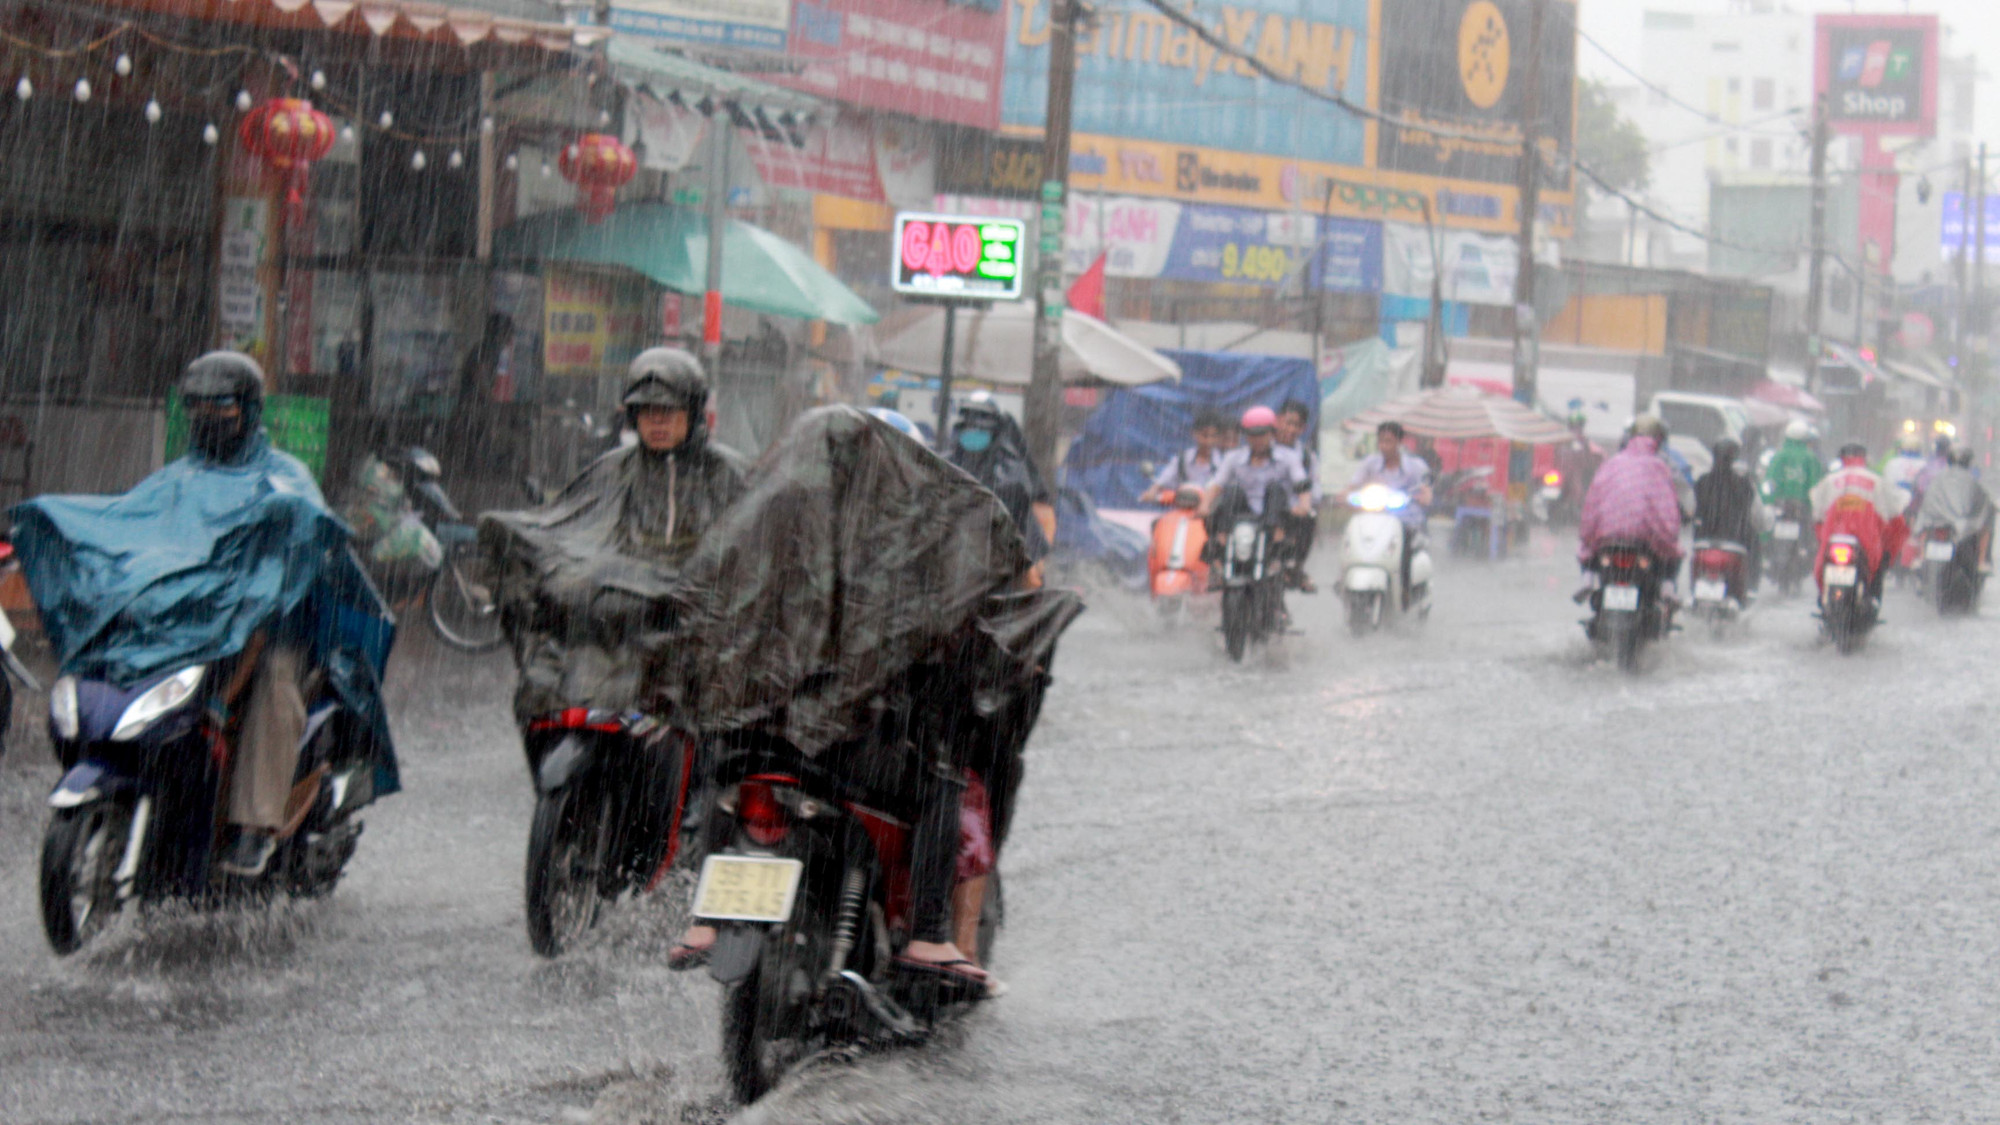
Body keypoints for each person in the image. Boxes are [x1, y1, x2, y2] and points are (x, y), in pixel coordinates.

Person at [949, 394, 1058, 587]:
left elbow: (1029, 531)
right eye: (969, 423)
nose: (974, 430)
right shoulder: (945, 467)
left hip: (998, 578)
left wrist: (1031, 569)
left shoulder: (1011, 477)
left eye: (981, 425)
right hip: (952, 571)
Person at [1577, 414, 1685, 578]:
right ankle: (1667, 588)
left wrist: (1587, 537)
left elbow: (1592, 505)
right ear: (1658, 439)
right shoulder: (1659, 467)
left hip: (1608, 538)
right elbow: (1667, 511)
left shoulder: (1612, 464)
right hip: (1645, 540)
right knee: (1671, 560)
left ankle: (1588, 579)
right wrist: (1670, 538)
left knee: (1589, 557)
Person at [1810, 441, 1908, 604]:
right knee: (1878, 568)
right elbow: (1894, 514)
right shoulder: (1876, 481)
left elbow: (1817, 515)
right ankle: (1872, 599)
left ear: (1841, 458)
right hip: (1866, 543)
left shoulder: (1829, 481)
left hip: (1834, 539)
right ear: (1864, 458)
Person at [1202, 406, 1312, 551]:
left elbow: (1301, 484)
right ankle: (1223, 542)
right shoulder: (1233, 458)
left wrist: (1304, 506)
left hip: (1276, 514)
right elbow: (1217, 485)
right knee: (1232, 490)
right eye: (1252, 435)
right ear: (1246, 436)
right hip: (1242, 515)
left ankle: (1276, 541)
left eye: (1262, 434)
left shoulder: (1288, 457)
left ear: (1272, 433)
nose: (1257, 440)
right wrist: (1204, 505)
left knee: (1275, 489)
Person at [1348, 420, 1433, 602]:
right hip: (1375, 519)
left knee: (1404, 543)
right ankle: (1345, 580)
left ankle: (1404, 587)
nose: (1384, 446)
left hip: (1405, 521)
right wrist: (1342, 497)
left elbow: (1426, 491)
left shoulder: (1415, 467)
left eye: (1389, 441)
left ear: (1399, 442)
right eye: (1381, 441)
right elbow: (1353, 486)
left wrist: (1423, 497)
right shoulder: (1370, 463)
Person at [1691, 438, 1762, 602]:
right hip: (1735, 541)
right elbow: (1757, 517)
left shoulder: (1702, 482)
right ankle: (1750, 587)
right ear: (1734, 458)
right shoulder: (1743, 485)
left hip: (1704, 541)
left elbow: (1690, 509)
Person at [1913, 443, 1995, 569]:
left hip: (1940, 520)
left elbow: (1926, 498)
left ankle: (1921, 556)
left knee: (1925, 524)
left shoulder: (1939, 478)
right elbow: (1983, 502)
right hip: (1960, 522)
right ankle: (1981, 561)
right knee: (1986, 524)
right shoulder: (1971, 480)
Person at [1274, 400, 1324, 591]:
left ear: (1303, 428)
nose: (1291, 429)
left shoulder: (1305, 456)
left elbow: (1314, 486)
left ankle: (1296, 567)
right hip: (1263, 510)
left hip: (1292, 512)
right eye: (1288, 422)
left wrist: (1306, 504)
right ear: (1278, 421)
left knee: (1309, 519)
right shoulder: (1263, 450)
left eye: (1297, 425)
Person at [1140, 408, 1227, 504]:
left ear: (1219, 437)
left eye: (1213, 436)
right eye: (1204, 435)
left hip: (1213, 512)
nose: (1209, 441)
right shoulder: (1182, 459)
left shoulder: (1225, 462)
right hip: (1184, 509)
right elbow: (1165, 477)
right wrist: (1153, 491)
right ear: (1194, 434)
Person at [1762, 419, 1825, 513]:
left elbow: (1770, 479)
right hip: (1803, 505)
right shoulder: (1810, 457)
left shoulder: (1779, 455)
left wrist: (1769, 501)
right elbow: (1815, 482)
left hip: (1780, 504)